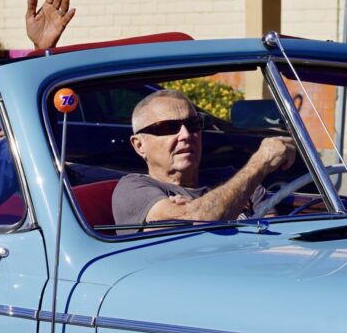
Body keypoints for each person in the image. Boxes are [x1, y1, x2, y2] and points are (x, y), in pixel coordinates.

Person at [112, 88, 296, 229]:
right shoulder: (133, 188)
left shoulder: (230, 178)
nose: (185, 135)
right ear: (139, 145)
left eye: (193, 124)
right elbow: (197, 220)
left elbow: (272, 230)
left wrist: (199, 209)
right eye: (168, 128)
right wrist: (259, 163)